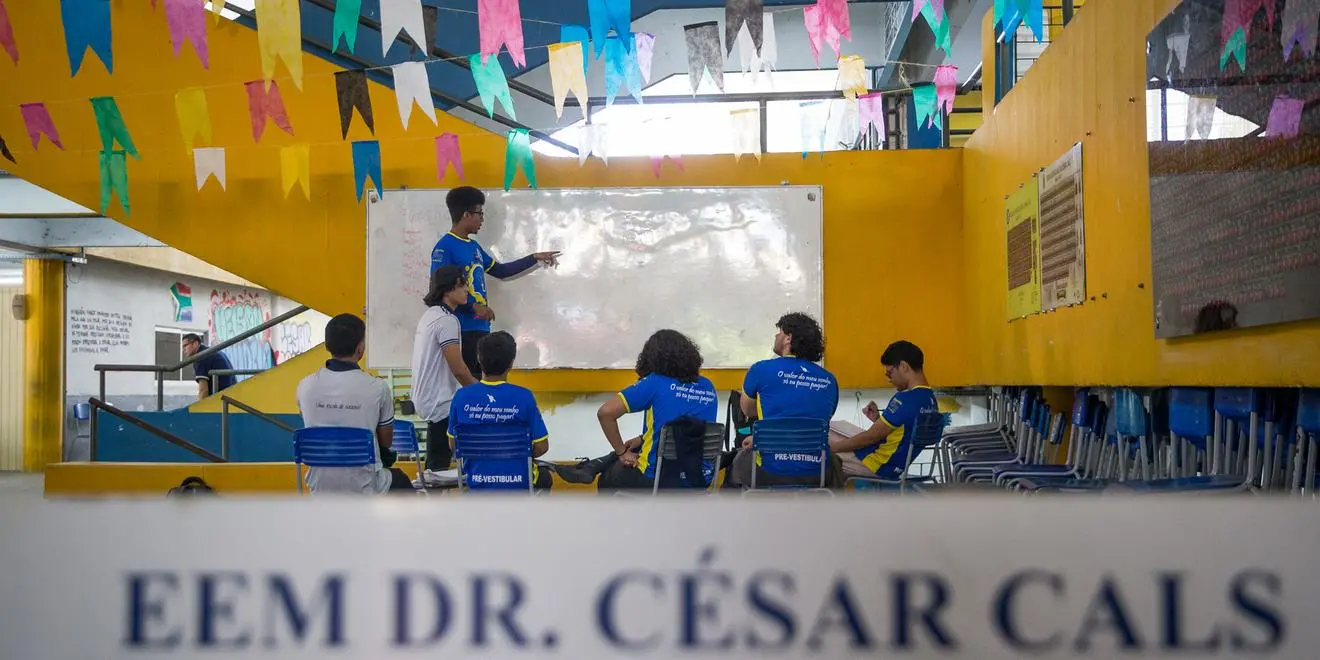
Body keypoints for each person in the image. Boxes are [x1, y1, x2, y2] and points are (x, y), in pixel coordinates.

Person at [555, 329, 718, 491]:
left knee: (608, 477)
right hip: (700, 478)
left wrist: (620, 452)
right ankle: (593, 465)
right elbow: (689, 427)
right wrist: (641, 439)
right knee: (636, 449)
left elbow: (605, 413)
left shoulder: (655, 382)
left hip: (658, 479)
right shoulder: (708, 386)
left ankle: (595, 469)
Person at [431, 186, 562, 379]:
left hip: (481, 331)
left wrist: (534, 258)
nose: (482, 219)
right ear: (466, 214)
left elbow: (501, 271)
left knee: (486, 387)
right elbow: (437, 291)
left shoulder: (474, 247)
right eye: (479, 213)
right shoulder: (444, 248)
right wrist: (473, 307)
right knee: (471, 390)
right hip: (461, 332)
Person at [295, 313, 413, 494]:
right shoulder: (378, 387)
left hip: (320, 488)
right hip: (366, 486)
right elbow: (386, 441)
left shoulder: (305, 386)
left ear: (328, 345)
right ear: (361, 348)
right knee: (401, 480)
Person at [726, 312, 839, 489]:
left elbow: (748, 411)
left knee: (738, 460)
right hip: (817, 472)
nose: (776, 335)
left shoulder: (761, 369)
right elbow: (816, 420)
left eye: (779, 332)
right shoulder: (830, 380)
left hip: (769, 470)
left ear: (788, 338)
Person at [446, 331, 553, 490]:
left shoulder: (461, 397)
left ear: (478, 359)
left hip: (476, 481)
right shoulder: (524, 397)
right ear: (511, 363)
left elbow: (454, 444)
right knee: (545, 477)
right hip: (518, 482)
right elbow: (542, 446)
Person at [830, 340, 939, 479]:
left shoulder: (905, 399)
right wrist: (877, 420)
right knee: (836, 427)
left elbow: (869, 438)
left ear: (904, 366)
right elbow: (903, 432)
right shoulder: (930, 399)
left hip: (877, 465)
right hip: (896, 464)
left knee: (819, 442)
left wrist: (832, 449)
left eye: (890, 373)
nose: (890, 379)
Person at [411, 265, 479, 471]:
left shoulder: (430, 315)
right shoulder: (447, 320)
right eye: (462, 285)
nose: (467, 289)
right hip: (440, 403)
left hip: (427, 400)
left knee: (436, 466)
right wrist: (481, 393)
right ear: (448, 289)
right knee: (440, 467)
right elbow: (458, 369)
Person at [182, 333, 235, 401]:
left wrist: (200, 409)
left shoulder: (201, 357)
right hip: (232, 395)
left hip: (221, 399)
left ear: (195, 343)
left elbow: (203, 390)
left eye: (185, 346)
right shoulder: (212, 351)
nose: (184, 350)